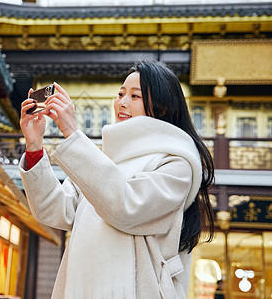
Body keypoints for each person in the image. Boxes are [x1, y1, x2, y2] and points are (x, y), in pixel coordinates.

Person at [19, 60, 215, 298]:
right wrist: (34, 145)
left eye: (135, 96)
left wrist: (72, 132)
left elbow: (126, 206)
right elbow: (55, 208)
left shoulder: (177, 163)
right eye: (120, 94)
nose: (122, 102)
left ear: (162, 107)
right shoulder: (104, 158)